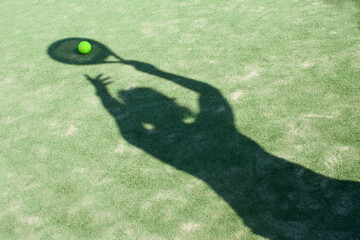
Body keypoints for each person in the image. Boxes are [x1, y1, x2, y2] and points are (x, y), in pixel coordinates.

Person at [86, 60, 360, 239]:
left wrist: (103, 95)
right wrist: (157, 72)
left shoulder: (162, 145)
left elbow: (126, 125)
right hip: (317, 191)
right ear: (171, 103)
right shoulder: (215, 123)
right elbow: (208, 91)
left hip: (271, 218)